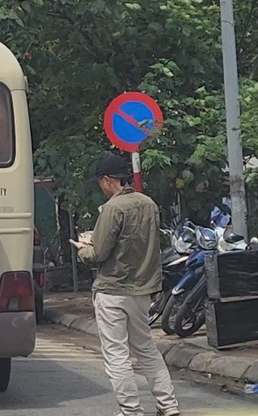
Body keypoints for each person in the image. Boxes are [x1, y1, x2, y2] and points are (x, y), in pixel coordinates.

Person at [70, 153, 181, 416]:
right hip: (142, 289)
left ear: (107, 180)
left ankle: (130, 411)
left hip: (112, 290)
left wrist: (83, 249)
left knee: (116, 354)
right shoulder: (149, 204)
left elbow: (99, 253)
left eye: (100, 182)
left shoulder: (112, 208)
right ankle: (169, 405)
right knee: (146, 348)